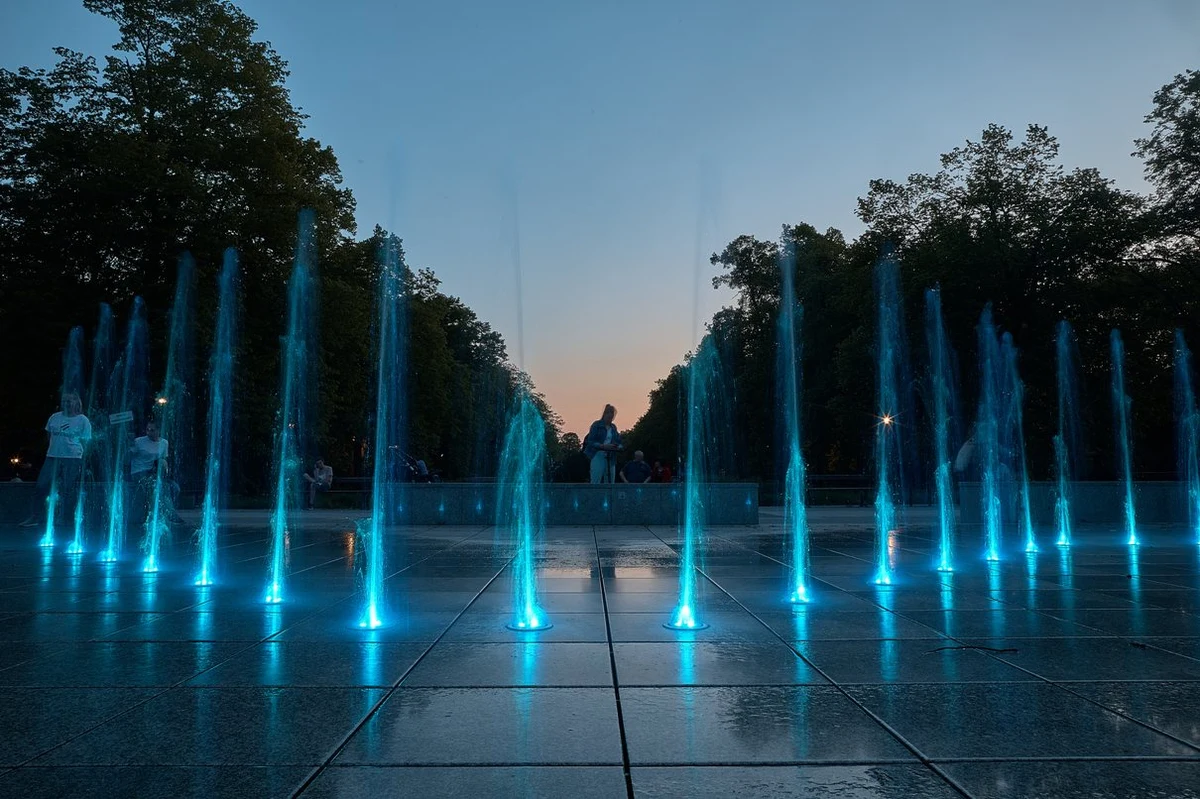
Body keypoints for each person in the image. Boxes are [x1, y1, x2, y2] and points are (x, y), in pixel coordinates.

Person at [20, 393, 92, 527]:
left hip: (72, 458)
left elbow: (86, 441)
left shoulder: (83, 420)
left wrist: (80, 457)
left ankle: (66, 519)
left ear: (77, 402)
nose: (66, 403)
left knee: (67, 489)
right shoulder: (54, 417)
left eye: (69, 401)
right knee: (41, 486)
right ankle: (35, 517)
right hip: (52, 457)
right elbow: (49, 436)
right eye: (64, 401)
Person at [130, 420, 181, 520]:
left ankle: (166, 511)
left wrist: (164, 470)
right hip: (139, 471)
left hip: (153, 471)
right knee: (154, 485)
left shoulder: (164, 443)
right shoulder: (139, 442)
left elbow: (163, 459)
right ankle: (166, 514)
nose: (149, 432)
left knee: (175, 488)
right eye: (147, 429)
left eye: (152, 430)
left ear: (158, 430)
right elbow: (128, 457)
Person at [582, 404, 622, 484]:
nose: (610, 417)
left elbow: (618, 440)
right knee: (596, 479)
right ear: (604, 414)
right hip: (598, 454)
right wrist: (603, 446)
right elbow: (590, 441)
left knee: (610, 481)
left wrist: (618, 447)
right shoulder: (596, 425)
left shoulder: (613, 427)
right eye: (608, 414)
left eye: (612, 415)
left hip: (611, 456)